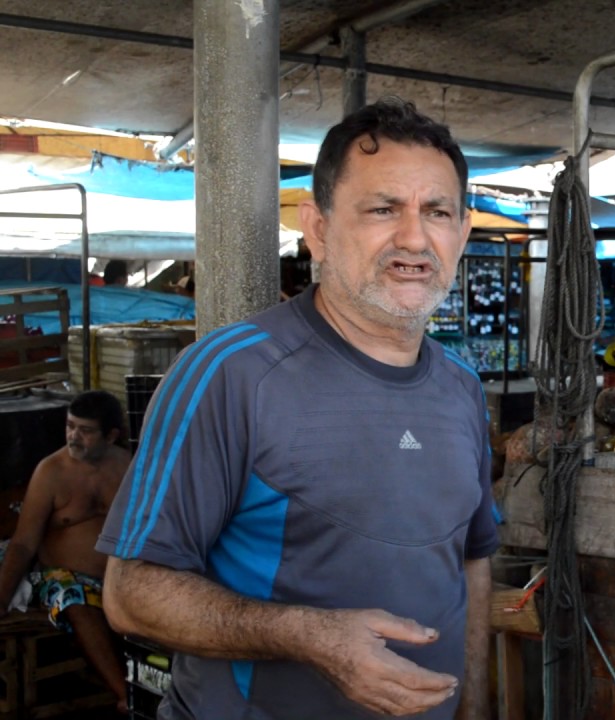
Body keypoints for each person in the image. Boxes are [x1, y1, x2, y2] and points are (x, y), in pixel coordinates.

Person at [96, 98, 497, 719]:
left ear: (463, 232)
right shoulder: (232, 374)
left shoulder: (462, 389)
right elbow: (131, 595)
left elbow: (471, 563)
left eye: (437, 212)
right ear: (317, 227)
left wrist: (472, 707)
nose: (415, 238)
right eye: (383, 209)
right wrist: (312, 638)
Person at [0, 391, 130, 712]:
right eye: (70, 426)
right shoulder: (51, 472)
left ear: (111, 436)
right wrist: (1, 599)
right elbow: (24, 542)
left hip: (118, 576)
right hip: (61, 577)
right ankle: (124, 697)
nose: (74, 436)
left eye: (85, 430)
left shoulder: (127, 467)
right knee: (74, 596)